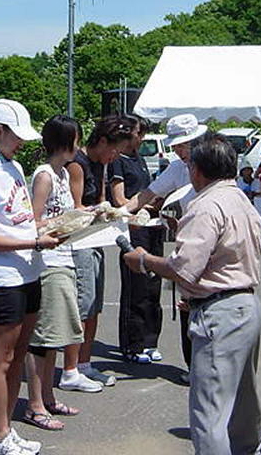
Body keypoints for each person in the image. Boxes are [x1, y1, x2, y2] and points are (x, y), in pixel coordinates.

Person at [123, 134, 261, 455]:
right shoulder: (240, 199)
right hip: (245, 303)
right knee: (243, 403)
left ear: (197, 170)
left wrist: (144, 260)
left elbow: (183, 268)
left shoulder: (205, 206)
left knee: (210, 411)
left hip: (220, 311)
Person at [0, 98, 60, 455]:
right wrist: (35, 241)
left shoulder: (13, 166)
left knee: (19, 356)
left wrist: (57, 226)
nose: (21, 142)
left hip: (29, 270)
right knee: (0, 360)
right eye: (16, 135)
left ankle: (6, 429)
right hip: (4, 278)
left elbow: (22, 219)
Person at [122, 113, 208, 380]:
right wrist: (121, 212)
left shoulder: (211, 162)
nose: (179, 150)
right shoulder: (177, 168)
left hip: (211, 237)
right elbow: (149, 194)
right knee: (187, 301)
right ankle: (193, 366)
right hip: (188, 238)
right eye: (177, 146)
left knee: (207, 302)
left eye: (184, 145)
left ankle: (207, 367)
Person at [24, 115, 96, 433]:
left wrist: (86, 215)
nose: (79, 147)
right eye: (76, 140)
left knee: (55, 336)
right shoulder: (44, 176)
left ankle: (48, 397)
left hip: (65, 258)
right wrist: (65, 223)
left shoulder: (64, 174)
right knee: (42, 338)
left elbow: (66, 214)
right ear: (65, 142)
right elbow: (33, 222)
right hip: (48, 262)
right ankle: (35, 404)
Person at [64, 114, 134, 389]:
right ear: (102, 141)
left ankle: (84, 364)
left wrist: (111, 211)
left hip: (96, 237)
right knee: (82, 304)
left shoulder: (102, 164)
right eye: (114, 149)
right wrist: (98, 210)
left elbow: (102, 199)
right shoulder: (77, 164)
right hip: (79, 240)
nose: (115, 156)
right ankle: (70, 369)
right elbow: (75, 208)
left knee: (95, 304)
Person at [109, 115, 164, 364]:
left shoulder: (139, 158)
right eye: (138, 133)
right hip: (133, 226)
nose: (141, 139)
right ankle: (133, 344)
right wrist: (142, 206)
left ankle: (150, 340)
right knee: (136, 286)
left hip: (152, 225)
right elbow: (120, 199)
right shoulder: (117, 161)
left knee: (154, 284)